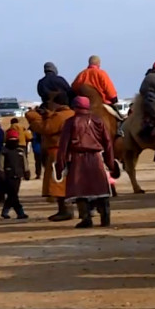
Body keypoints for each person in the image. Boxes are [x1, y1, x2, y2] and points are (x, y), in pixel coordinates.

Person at [56, 96, 116, 228]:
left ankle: (86, 218)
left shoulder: (70, 122)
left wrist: (60, 166)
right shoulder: (98, 120)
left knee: (80, 190)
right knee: (100, 189)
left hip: (78, 160)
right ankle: (105, 217)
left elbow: (63, 146)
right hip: (96, 159)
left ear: (75, 107)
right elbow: (108, 143)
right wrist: (110, 162)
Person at [25, 92, 76, 221]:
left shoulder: (60, 116)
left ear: (56, 103)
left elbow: (46, 128)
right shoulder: (72, 113)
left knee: (58, 181)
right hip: (71, 151)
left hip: (57, 152)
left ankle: (65, 210)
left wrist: (33, 116)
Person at [0, 129, 30, 220]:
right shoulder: (4, 151)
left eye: (14, 138)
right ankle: (20, 212)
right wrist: (1, 172)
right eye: (11, 138)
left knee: (12, 195)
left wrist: (26, 172)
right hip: (8, 175)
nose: (12, 140)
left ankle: (5, 212)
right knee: (13, 194)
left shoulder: (20, 151)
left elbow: (24, 162)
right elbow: (0, 163)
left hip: (18, 175)